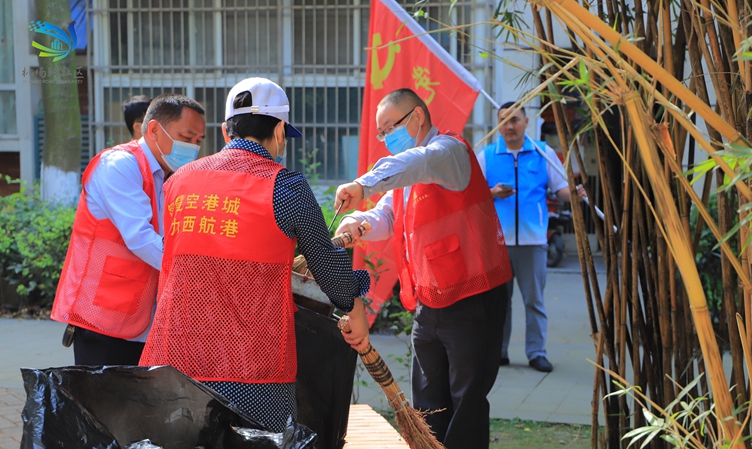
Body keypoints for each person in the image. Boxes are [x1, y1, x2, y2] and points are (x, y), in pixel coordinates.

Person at [139, 77, 371, 432]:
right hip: (252, 367)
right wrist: (356, 299)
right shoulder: (287, 186)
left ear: (225, 129)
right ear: (280, 130)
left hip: (174, 359)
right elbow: (330, 277)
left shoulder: (178, 181)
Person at [334, 88, 512, 449]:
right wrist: (357, 223)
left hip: (472, 297)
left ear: (417, 116)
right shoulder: (405, 175)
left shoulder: (449, 152)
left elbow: (420, 161)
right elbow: (385, 214)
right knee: (429, 404)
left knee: (467, 404)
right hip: (428, 303)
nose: (386, 139)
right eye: (381, 133)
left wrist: (362, 183)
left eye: (390, 128)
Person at [51, 94, 206, 365]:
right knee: (103, 406)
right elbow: (141, 238)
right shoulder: (120, 165)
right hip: (103, 321)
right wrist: (197, 276)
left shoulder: (169, 177)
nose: (192, 148)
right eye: (186, 136)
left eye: (197, 142)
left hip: (143, 321)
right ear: (155, 129)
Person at [477, 101, 586, 372]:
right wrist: (492, 193)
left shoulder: (542, 152)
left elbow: (560, 188)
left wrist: (574, 193)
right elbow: (472, 197)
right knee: (499, 303)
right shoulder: (487, 155)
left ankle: (537, 352)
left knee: (534, 301)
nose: (509, 126)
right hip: (497, 244)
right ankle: (498, 351)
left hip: (533, 242)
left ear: (527, 122)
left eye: (514, 119)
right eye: (503, 120)